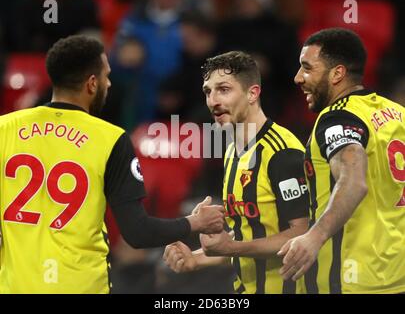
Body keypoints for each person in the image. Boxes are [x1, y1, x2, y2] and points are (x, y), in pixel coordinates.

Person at [0, 35, 225, 294]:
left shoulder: (5, 128)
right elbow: (137, 233)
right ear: (92, 83)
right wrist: (195, 222)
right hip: (80, 286)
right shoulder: (110, 139)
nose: (109, 83)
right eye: (106, 76)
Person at [164, 51, 310, 294]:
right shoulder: (232, 151)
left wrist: (230, 248)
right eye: (208, 92)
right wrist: (197, 258)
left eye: (223, 89)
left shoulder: (282, 153)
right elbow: (247, 236)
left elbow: (303, 233)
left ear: (252, 93)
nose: (213, 101)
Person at [278, 27, 405, 294]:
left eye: (307, 68)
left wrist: (315, 236)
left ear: (337, 74)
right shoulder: (398, 114)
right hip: (396, 275)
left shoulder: (337, 118)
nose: (297, 78)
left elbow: (354, 181)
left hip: (348, 279)